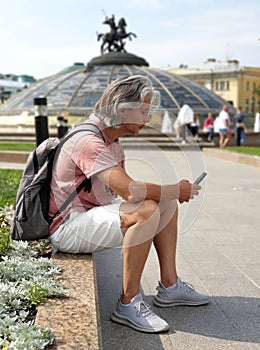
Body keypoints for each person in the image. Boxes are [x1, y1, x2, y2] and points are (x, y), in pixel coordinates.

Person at [48, 75, 210, 334]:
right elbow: (131, 191)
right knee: (145, 211)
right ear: (123, 109)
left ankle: (170, 286)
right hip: (69, 226)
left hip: (91, 214)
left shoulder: (112, 140)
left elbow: (123, 192)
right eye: (143, 111)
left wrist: (168, 195)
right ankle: (128, 303)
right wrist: (175, 189)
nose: (147, 118)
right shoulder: (90, 141)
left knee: (165, 204)